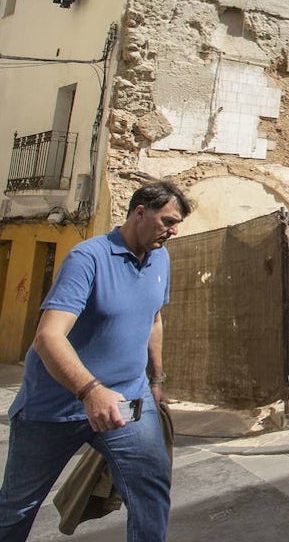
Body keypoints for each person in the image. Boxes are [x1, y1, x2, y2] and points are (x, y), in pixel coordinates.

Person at [0, 180, 191, 542]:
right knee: (16, 508)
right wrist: (90, 391)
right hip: (55, 408)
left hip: (128, 402)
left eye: (176, 223)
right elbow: (48, 336)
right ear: (139, 212)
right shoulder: (88, 257)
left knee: (151, 492)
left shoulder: (160, 258)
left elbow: (153, 319)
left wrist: (156, 380)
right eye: (167, 221)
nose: (173, 230)